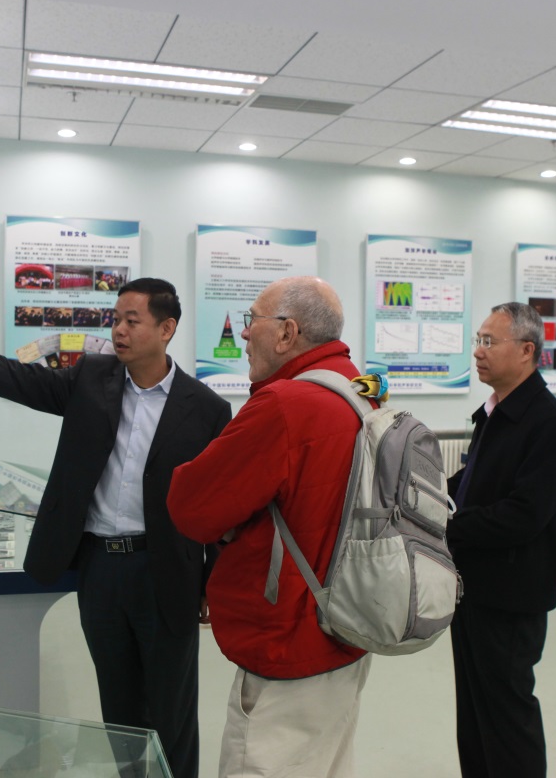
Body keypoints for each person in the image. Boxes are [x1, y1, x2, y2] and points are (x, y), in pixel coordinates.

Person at [0, 278, 230, 778]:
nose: (119, 330)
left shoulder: (206, 408)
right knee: (119, 707)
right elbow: (13, 378)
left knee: (172, 710)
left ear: (166, 329)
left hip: (165, 570)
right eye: (116, 319)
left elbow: (218, 502)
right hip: (101, 568)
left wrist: (213, 578)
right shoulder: (93, 378)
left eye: (133, 321)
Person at [168, 276, 372, 778]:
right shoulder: (359, 392)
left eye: (251, 320)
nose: (243, 333)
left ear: (286, 333)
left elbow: (191, 507)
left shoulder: (283, 406)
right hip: (348, 626)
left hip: (287, 643)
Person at [446, 302, 556, 778]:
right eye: (478, 340)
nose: (478, 352)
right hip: (472, 588)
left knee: (506, 716)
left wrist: (447, 526)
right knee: (475, 711)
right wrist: (428, 495)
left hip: (510, 596)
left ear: (526, 351)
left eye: (489, 342)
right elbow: (474, 483)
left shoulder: (547, 423)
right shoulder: (496, 413)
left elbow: (523, 516)